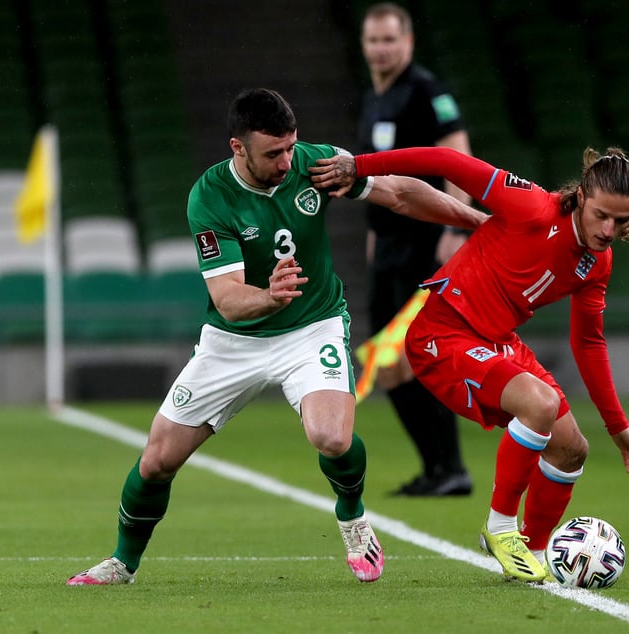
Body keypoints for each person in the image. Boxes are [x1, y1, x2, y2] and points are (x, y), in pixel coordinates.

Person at [66, 88, 486, 586]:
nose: (287, 162)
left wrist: (478, 221)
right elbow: (227, 299)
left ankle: (352, 516)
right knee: (157, 460)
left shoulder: (315, 164)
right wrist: (269, 296)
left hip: (312, 325)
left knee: (331, 436)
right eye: (273, 153)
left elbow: (398, 193)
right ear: (237, 147)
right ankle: (122, 563)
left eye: (290, 147)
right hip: (233, 340)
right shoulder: (210, 197)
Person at [310, 146, 629, 582]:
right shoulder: (530, 204)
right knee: (540, 403)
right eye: (602, 215)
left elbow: (587, 341)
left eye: (621, 221)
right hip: (443, 333)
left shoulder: (597, 263)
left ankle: (532, 550)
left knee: (571, 450)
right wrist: (359, 165)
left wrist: (617, 426)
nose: (608, 230)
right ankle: (500, 527)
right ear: (581, 196)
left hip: (496, 341)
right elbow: (445, 161)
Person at [356, 2, 475, 497]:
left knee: (420, 355)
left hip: (425, 243)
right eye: (374, 40)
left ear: (408, 42)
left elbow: (459, 158)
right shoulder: (373, 99)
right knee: (384, 363)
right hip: (387, 248)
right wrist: (373, 235)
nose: (381, 49)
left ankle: (452, 468)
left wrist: (455, 228)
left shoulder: (427, 91)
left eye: (390, 39)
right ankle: (436, 469)